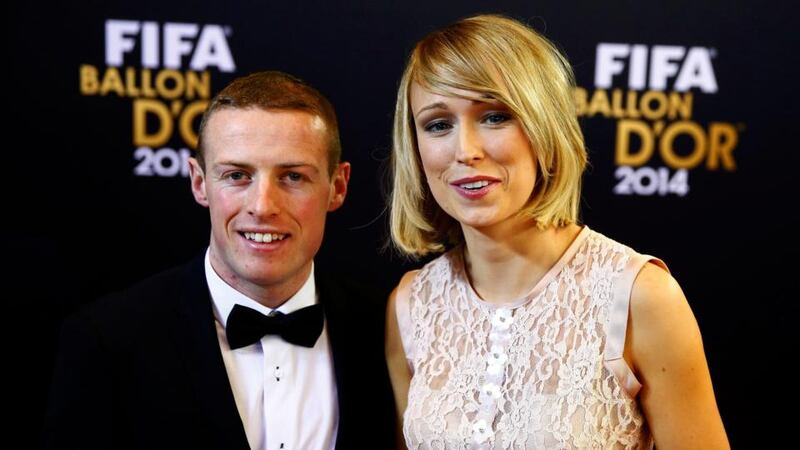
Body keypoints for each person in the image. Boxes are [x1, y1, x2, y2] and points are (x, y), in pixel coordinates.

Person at [384, 15, 729, 450]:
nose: (465, 150)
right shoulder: (411, 305)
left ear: (544, 127)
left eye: (494, 116)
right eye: (438, 125)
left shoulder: (641, 296)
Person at [43, 71, 395, 450]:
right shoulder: (108, 340)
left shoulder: (390, 329)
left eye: (292, 176)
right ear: (199, 182)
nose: (262, 206)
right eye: (237, 175)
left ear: (337, 187)